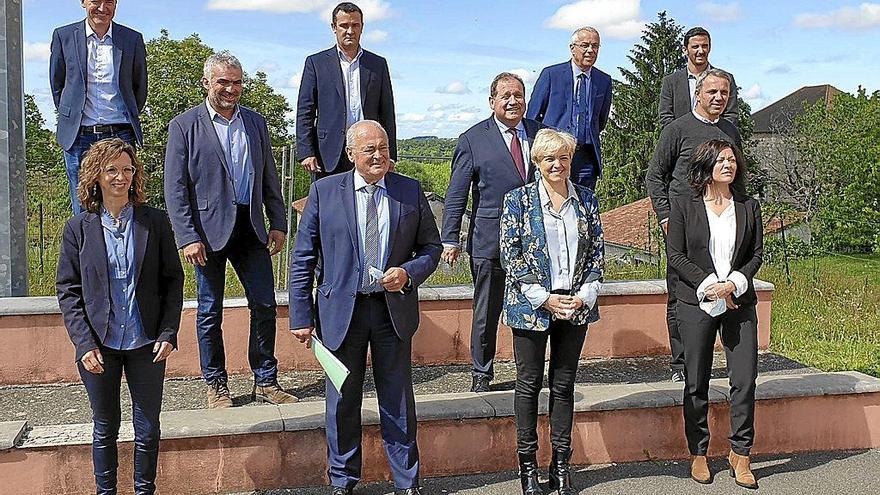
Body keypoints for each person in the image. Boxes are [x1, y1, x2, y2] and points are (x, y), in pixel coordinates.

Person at [288, 120, 441, 495]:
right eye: (369, 149)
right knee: (341, 400)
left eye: (384, 147)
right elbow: (303, 257)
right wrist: (300, 315)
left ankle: (407, 482)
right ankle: (343, 481)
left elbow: (431, 249)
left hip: (393, 312)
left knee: (398, 400)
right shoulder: (324, 191)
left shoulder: (409, 190)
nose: (378, 155)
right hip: (340, 314)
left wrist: (407, 273)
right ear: (351, 154)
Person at [164, 51, 294, 408]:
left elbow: (269, 177)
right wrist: (187, 236)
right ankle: (216, 384)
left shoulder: (256, 123)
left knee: (265, 305)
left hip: (251, 227)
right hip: (207, 233)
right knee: (209, 311)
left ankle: (265, 381)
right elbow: (175, 189)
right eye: (223, 82)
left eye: (237, 82)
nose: (231, 89)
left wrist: (279, 222)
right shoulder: (184, 126)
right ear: (207, 83)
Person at [56, 138, 184, 494]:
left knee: (147, 430)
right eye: (111, 169)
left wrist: (168, 332)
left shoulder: (154, 222)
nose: (120, 177)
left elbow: (174, 281)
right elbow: (68, 290)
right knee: (104, 428)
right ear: (96, 175)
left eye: (127, 169)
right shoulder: (78, 228)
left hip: (147, 343)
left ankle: (145, 490)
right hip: (99, 347)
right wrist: (83, 343)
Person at [500, 129, 604, 495]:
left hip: (575, 306)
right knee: (528, 386)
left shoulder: (587, 201)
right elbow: (510, 256)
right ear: (537, 163)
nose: (557, 165)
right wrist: (542, 297)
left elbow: (596, 255)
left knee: (563, 385)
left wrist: (585, 295)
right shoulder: (518, 201)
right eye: (549, 159)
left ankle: (561, 465)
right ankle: (527, 468)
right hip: (532, 307)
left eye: (563, 158)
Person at [666, 139, 763, 489]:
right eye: (721, 159)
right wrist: (709, 284)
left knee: (744, 379)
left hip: (738, 302)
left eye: (732, 159)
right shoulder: (684, 205)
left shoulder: (748, 206)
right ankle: (699, 453)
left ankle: (741, 453)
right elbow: (675, 255)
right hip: (698, 301)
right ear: (706, 165)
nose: (728, 164)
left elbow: (755, 255)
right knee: (696, 381)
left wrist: (734, 283)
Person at [441, 72, 545, 393]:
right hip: (489, 241)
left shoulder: (540, 134)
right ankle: (482, 373)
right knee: (487, 310)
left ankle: (528, 372)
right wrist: (450, 237)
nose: (513, 101)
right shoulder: (472, 139)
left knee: (531, 306)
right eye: (506, 96)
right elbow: (457, 193)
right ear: (492, 101)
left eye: (519, 95)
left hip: (532, 242)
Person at [646, 69, 744, 383]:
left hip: (723, 225)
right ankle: (681, 363)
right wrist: (665, 217)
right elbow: (655, 177)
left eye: (724, 93)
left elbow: (738, 178)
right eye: (712, 92)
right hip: (684, 228)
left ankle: (729, 360)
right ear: (698, 94)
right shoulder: (677, 129)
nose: (718, 98)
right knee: (681, 295)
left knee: (727, 287)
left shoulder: (730, 130)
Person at [50, 0, 148, 215]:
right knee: (83, 205)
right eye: (96, 1)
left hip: (120, 134)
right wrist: (72, 116)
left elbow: (139, 87)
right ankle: (87, 248)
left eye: (109, 2)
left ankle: (120, 248)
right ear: (83, 2)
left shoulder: (132, 39)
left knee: (121, 201)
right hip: (79, 135)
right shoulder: (63, 36)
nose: (103, 8)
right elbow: (57, 84)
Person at [296, 2, 396, 180]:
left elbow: (387, 112)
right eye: (344, 25)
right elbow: (305, 111)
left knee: (368, 203)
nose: (350, 31)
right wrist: (306, 151)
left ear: (362, 27)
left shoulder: (377, 64)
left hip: (368, 151)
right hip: (327, 154)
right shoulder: (316, 63)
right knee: (329, 204)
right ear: (334, 27)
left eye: (355, 25)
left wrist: (391, 155)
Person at [527, 27, 612, 190]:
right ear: (572, 48)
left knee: (584, 207)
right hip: (554, 156)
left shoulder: (604, 80)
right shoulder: (551, 75)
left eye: (595, 46)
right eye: (585, 45)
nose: (590, 50)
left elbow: (600, 121)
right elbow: (533, 117)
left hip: (586, 158)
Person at [659, 27, 739, 128]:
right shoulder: (671, 82)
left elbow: (731, 116)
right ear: (685, 50)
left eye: (704, 46)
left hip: (716, 141)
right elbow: (666, 118)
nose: (701, 51)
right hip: (683, 141)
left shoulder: (726, 79)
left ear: (710, 48)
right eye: (695, 47)